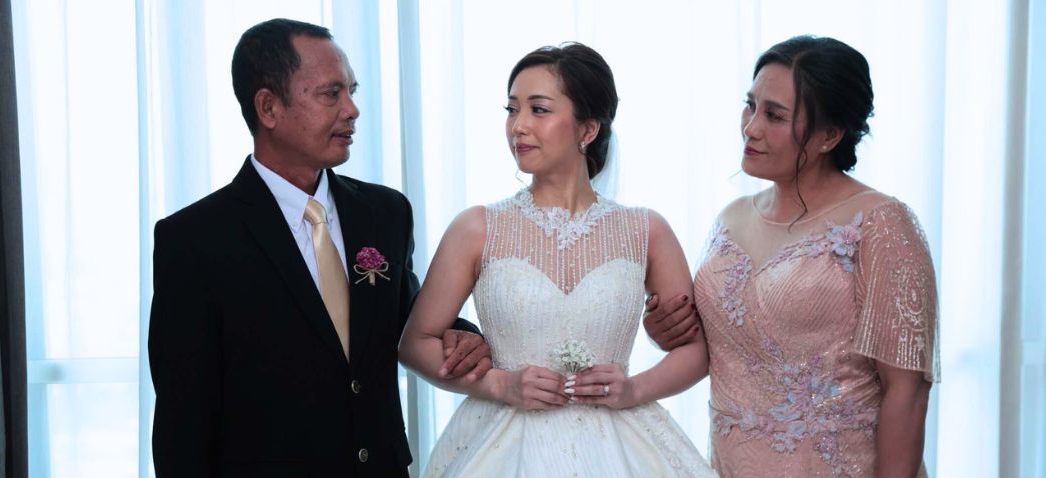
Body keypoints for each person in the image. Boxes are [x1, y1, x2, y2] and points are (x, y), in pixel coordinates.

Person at [148, 18, 492, 477]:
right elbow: (183, 423)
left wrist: (461, 334)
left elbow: (405, 315)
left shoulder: (385, 213)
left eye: (352, 91)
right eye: (331, 94)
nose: (352, 109)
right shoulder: (194, 239)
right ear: (268, 107)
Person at [398, 42, 716, 478]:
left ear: (588, 129)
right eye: (512, 110)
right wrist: (500, 384)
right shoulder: (477, 228)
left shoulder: (646, 231)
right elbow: (415, 343)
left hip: (621, 443)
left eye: (539, 110)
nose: (519, 126)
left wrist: (633, 389)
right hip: (500, 443)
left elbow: (696, 350)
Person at [652, 35, 940, 477]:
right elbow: (726, 346)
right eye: (750, 106)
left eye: (774, 115)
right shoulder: (731, 218)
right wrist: (665, 330)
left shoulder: (881, 222)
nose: (751, 128)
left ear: (829, 135)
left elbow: (908, 390)